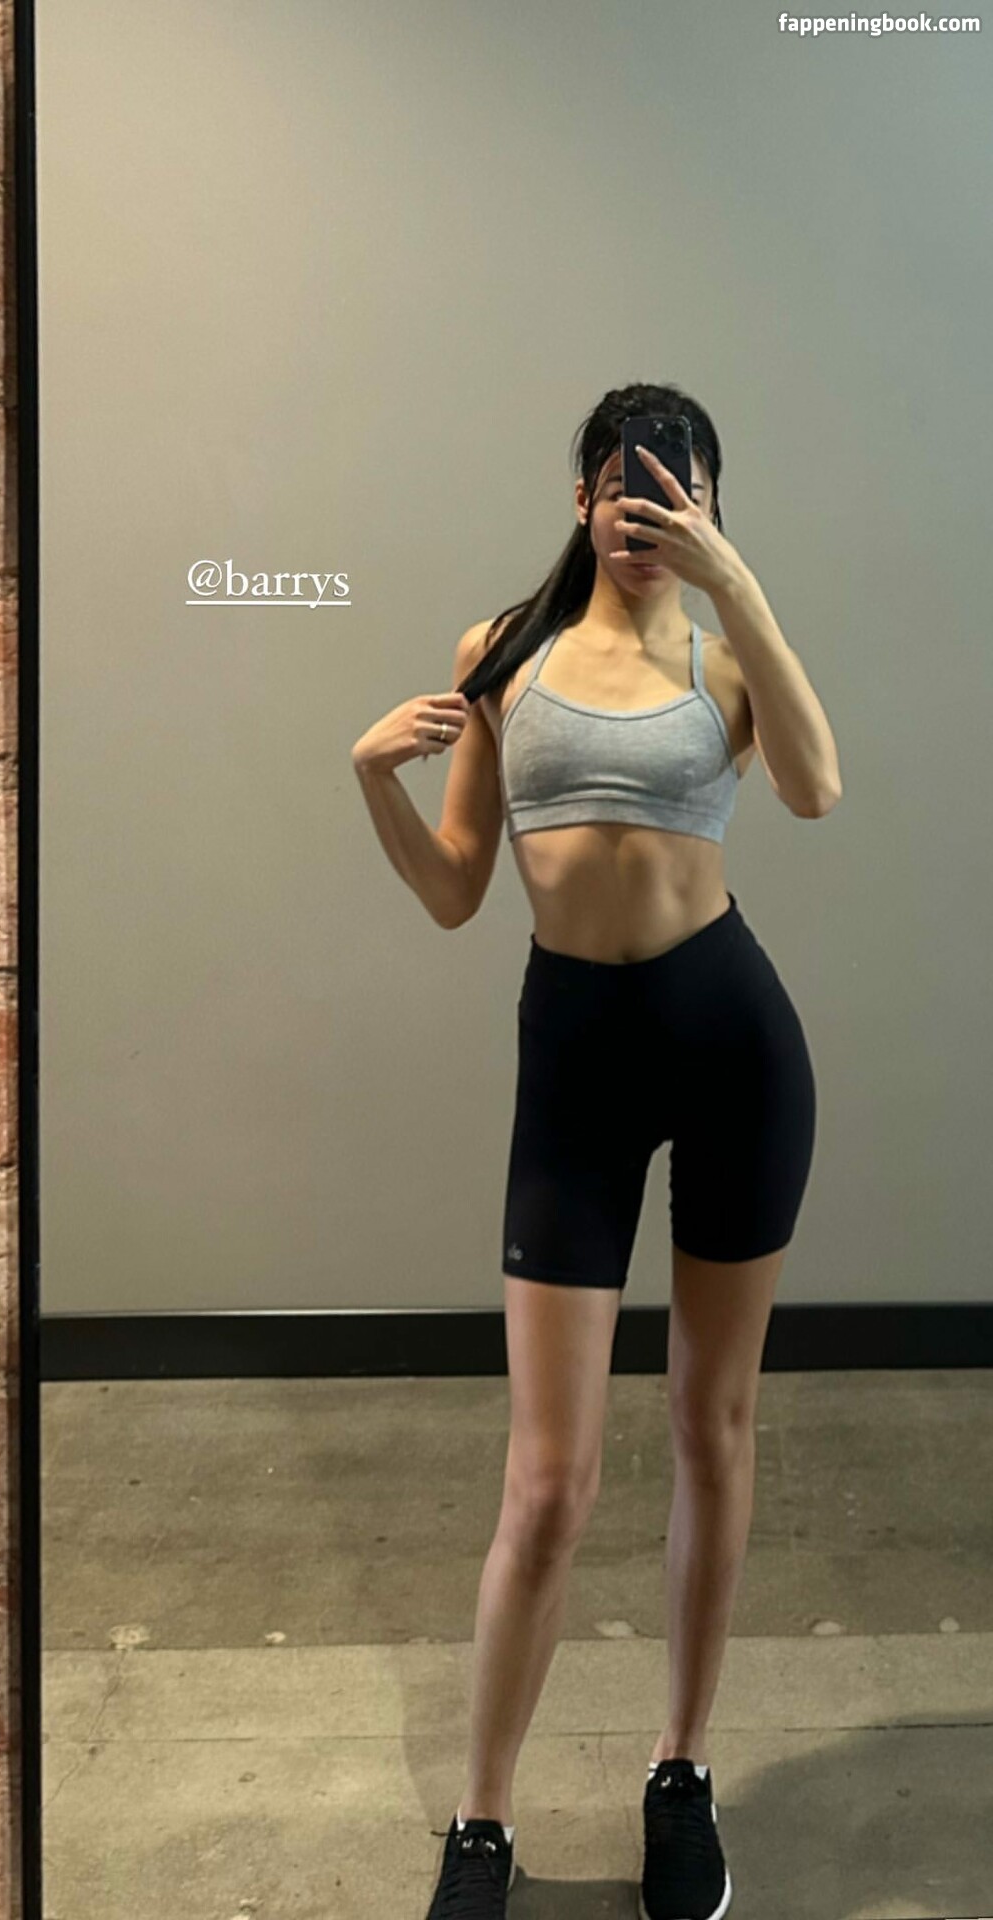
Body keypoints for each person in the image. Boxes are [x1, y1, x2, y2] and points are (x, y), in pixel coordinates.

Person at [351, 381, 842, 1920]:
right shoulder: (502, 652)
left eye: (678, 497)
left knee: (711, 1423)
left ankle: (681, 1772)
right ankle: (482, 1824)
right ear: (581, 499)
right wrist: (371, 779)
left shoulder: (729, 650)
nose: (647, 519)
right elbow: (456, 890)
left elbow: (817, 789)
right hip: (575, 1057)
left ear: (710, 506)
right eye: (626, 493)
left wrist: (734, 580)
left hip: (731, 1043)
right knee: (550, 1481)